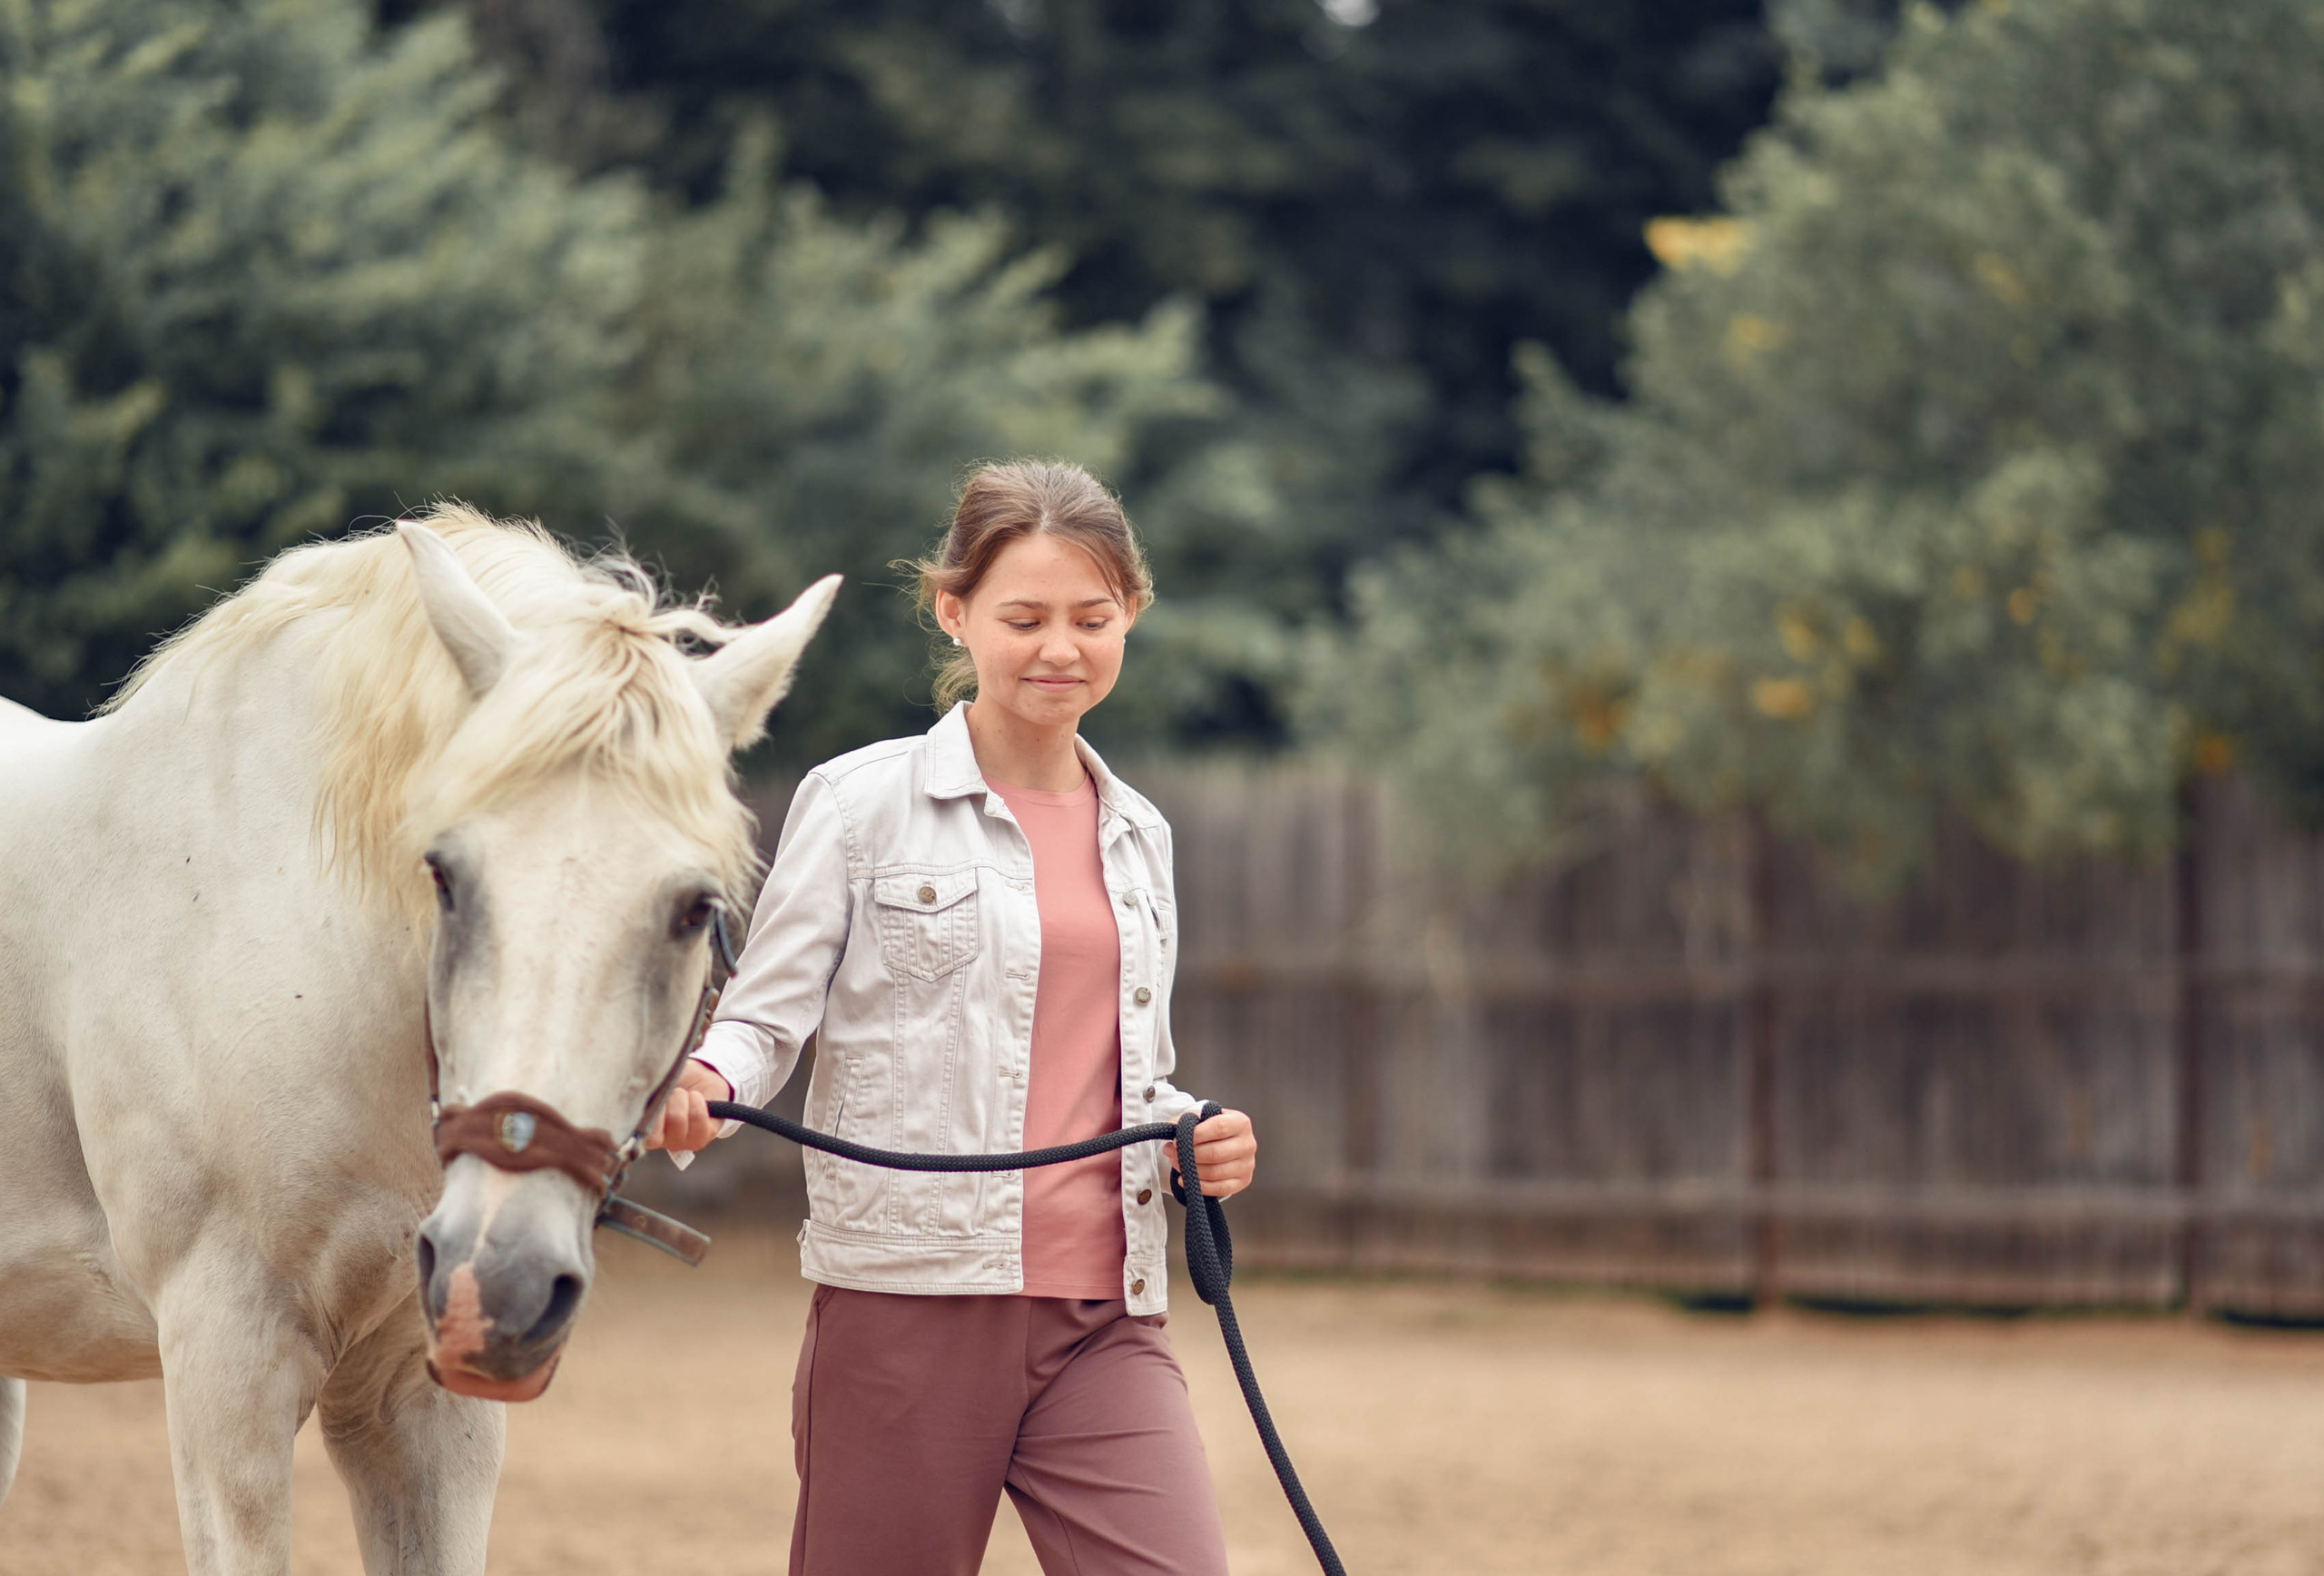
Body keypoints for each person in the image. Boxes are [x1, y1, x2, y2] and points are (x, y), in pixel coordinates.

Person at [645, 459, 1256, 1576]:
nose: (1058, 647)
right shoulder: (859, 799)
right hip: (905, 1310)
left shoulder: (1141, 834)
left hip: (1106, 1317)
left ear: (1132, 617)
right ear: (954, 610)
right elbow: (765, 1019)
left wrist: (1195, 1131)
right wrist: (706, 1088)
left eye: (1093, 617)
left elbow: (1130, 1066)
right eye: (1023, 617)